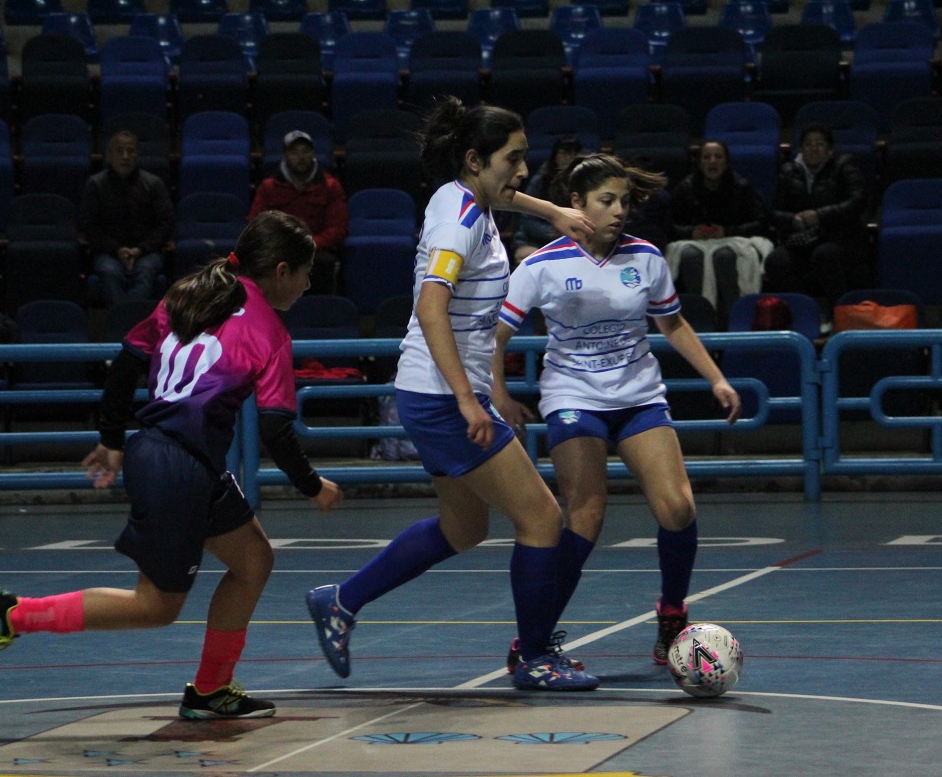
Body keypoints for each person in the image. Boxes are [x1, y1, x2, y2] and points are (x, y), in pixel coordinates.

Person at [0, 211, 344, 719]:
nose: (308, 283)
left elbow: (125, 363)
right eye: (305, 272)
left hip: (177, 458)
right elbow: (275, 428)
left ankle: (211, 690)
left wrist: (112, 438)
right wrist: (312, 485)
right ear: (280, 271)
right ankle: (12, 616)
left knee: (254, 560)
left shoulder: (188, 296)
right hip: (178, 467)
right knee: (155, 606)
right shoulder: (269, 331)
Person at [305, 97, 601, 691]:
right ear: (474, 158)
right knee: (541, 516)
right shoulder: (457, 222)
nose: (522, 171)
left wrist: (553, 213)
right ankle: (536, 656)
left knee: (463, 528)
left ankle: (341, 600)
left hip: (434, 390)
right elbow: (431, 306)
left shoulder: (468, 199)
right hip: (443, 397)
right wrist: (470, 400)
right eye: (512, 160)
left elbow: (507, 196)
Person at [491, 153, 742, 670]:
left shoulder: (646, 257)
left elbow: (672, 324)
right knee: (585, 515)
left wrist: (715, 378)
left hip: (638, 395)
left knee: (678, 508)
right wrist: (499, 392)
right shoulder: (540, 266)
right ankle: (532, 639)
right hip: (572, 396)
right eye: (607, 200)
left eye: (625, 200)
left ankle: (672, 613)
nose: (619, 210)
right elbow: (494, 337)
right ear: (576, 203)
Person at [763, 124, 870, 330]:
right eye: (808, 144)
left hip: (840, 238)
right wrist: (793, 219)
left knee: (824, 254)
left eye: (820, 144)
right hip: (803, 240)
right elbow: (774, 213)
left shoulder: (844, 166)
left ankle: (839, 314)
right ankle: (805, 311)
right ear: (801, 148)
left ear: (829, 149)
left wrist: (820, 216)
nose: (814, 149)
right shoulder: (789, 171)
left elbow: (857, 202)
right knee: (776, 261)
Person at [665, 140, 773, 329]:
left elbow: (761, 223)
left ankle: (733, 321)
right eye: (707, 157)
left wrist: (728, 231)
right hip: (694, 243)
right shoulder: (685, 188)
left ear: (726, 162)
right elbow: (668, 226)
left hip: (734, 240)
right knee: (691, 256)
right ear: (699, 163)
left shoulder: (741, 186)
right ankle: (700, 322)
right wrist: (691, 232)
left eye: (718, 157)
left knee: (723, 255)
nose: (712, 161)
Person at [81, 131, 175, 308]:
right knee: (109, 272)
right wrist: (117, 250)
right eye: (119, 151)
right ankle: (126, 325)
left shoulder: (153, 184)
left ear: (138, 155)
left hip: (147, 252)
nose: (125, 156)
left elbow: (166, 224)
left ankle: (126, 325)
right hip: (109, 252)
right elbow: (89, 226)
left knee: (146, 271)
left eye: (130, 151)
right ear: (109, 155)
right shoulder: (95, 185)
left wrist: (140, 250)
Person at [248, 130, 349, 295]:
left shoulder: (330, 186)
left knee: (324, 264)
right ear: (285, 155)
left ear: (313, 154)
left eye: (305, 151)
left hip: (316, 250)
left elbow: (337, 228)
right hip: (279, 251)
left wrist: (309, 245)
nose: (301, 157)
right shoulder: (268, 187)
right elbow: (256, 224)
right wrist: (283, 247)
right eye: (294, 152)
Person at [509, 134, 581, 266]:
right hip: (534, 241)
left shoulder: (584, 183)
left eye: (573, 153)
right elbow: (527, 221)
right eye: (564, 153)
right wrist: (553, 233)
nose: (569, 158)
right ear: (555, 155)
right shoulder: (541, 180)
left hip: (573, 241)